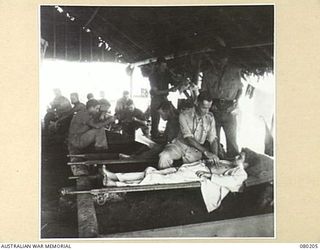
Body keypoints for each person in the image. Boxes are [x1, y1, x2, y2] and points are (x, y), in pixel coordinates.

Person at [158, 92, 219, 169]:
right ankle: (162, 180)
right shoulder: (184, 115)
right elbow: (189, 138)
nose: (206, 111)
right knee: (164, 156)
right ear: (197, 103)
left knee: (194, 171)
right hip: (179, 146)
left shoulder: (210, 118)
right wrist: (206, 152)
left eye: (208, 108)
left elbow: (213, 139)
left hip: (196, 150)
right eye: (204, 108)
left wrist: (215, 156)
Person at [201, 49, 243, 158]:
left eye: (223, 59)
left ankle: (233, 159)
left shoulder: (235, 71)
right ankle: (217, 159)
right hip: (214, 108)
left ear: (227, 59)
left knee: (232, 137)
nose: (220, 62)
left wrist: (236, 103)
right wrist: (210, 105)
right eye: (218, 60)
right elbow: (204, 92)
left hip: (230, 108)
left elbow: (240, 89)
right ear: (214, 60)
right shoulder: (207, 73)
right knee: (214, 137)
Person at [148, 57, 177, 139]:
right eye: (162, 67)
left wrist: (178, 84)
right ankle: (154, 136)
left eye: (165, 67)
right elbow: (156, 92)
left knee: (171, 116)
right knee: (155, 118)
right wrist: (169, 90)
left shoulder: (166, 74)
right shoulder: (153, 76)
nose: (164, 68)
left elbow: (174, 81)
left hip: (164, 98)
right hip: (156, 98)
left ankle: (166, 135)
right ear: (157, 66)